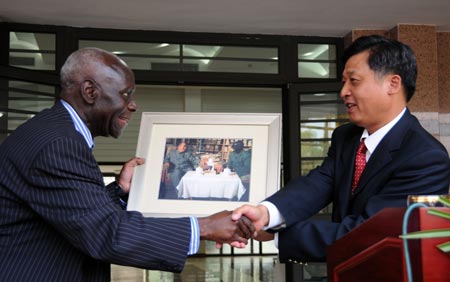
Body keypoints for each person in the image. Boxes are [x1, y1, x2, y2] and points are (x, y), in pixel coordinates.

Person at [0, 47, 254, 281]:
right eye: (125, 94)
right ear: (90, 92)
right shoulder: (58, 143)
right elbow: (106, 233)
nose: (132, 105)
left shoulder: (55, 132)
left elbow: (72, 213)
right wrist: (205, 227)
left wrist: (119, 191)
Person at [231, 35, 450, 262]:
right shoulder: (346, 136)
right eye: (344, 82)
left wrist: (279, 237)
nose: (343, 91)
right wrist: (267, 213)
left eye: (353, 81)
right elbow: (320, 183)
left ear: (392, 84)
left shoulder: (426, 158)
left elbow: (372, 233)